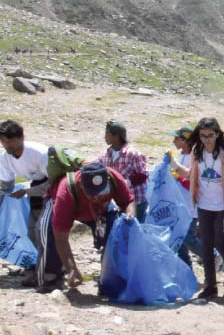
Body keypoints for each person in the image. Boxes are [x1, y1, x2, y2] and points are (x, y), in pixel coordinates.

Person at [51, 162, 135, 289]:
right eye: (92, 193)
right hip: (72, 209)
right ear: (81, 185)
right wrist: (71, 268)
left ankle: (109, 281)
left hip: (102, 213)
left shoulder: (114, 178)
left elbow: (128, 201)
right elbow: (61, 237)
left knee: (114, 240)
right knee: (49, 238)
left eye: (102, 192)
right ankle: (53, 277)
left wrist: (130, 215)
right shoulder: (66, 192)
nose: (97, 198)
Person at [0, 120, 58, 288]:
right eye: (3, 140)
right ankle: (37, 268)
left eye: (10, 140)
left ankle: (54, 273)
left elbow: (52, 182)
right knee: (32, 231)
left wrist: (26, 192)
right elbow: (5, 186)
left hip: (54, 187)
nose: (6, 144)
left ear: (21, 138)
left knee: (45, 230)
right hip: (34, 187)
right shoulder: (5, 158)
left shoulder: (39, 153)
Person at [189, 117, 224, 299]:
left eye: (210, 135)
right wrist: (174, 167)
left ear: (217, 134)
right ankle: (210, 286)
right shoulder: (197, 152)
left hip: (222, 206)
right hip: (203, 204)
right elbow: (193, 176)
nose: (207, 139)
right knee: (206, 246)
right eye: (203, 136)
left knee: (221, 242)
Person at [97, 120, 149, 223]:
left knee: (136, 229)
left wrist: (125, 183)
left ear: (116, 136)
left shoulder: (133, 154)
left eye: (107, 134)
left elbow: (143, 175)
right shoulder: (107, 154)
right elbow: (97, 166)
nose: (105, 137)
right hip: (120, 201)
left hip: (137, 200)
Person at [168, 126, 204, 267]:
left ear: (185, 140)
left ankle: (211, 255)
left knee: (188, 238)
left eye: (176, 138)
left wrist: (178, 177)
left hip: (191, 207)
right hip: (179, 205)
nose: (173, 141)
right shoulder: (182, 155)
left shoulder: (194, 158)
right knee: (179, 239)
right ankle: (186, 269)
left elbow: (195, 183)